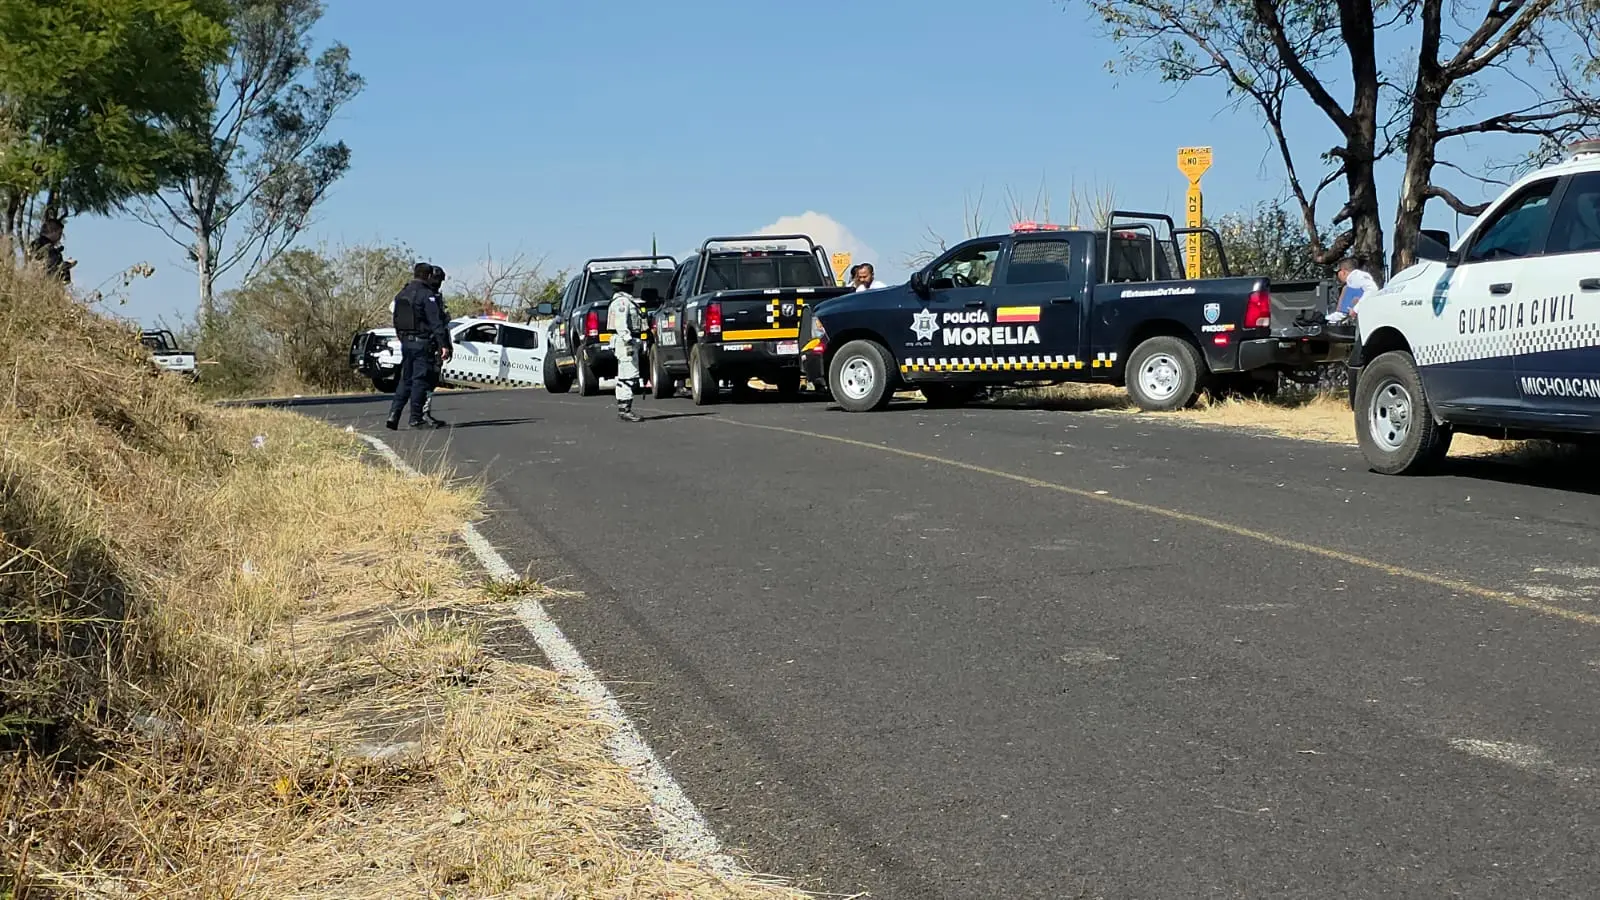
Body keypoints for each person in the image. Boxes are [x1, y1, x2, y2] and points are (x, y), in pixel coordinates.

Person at [386, 262, 453, 430]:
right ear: (428, 276)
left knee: (405, 380)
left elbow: (396, 319)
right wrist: (443, 344)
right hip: (422, 343)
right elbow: (436, 322)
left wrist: (402, 337)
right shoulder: (426, 295)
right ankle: (416, 418)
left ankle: (393, 415)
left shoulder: (402, 293)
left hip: (406, 342)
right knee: (420, 380)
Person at [605, 272, 645, 422]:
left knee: (624, 376)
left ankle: (624, 408)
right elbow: (621, 324)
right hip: (625, 343)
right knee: (629, 375)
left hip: (624, 341)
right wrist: (629, 340)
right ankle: (626, 410)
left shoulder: (624, 300)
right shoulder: (622, 302)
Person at [418, 265, 449, 426]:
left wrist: (446, 344)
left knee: (432, 379)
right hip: (426, 342)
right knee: (425, 379)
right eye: (437, 279)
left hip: (435, 343)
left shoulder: (436, 297)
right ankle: (420, 413)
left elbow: (443, 325)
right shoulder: (425, 296)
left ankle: (424, 412)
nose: (438, 283)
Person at [1328, 257, 1378, 324]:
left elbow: (1372, 289)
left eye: (1337, 273)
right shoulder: (1351, 282)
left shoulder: (1356, 276)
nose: (1337, 276)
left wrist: (1355, 309)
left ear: (1343, 272)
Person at [28, 216, 74, 283]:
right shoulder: (52, 251)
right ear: (53, 231)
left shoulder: (33, 244)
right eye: (59, 233)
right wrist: (66, 265)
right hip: (43, 285)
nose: (60, 237)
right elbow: (64, 281)